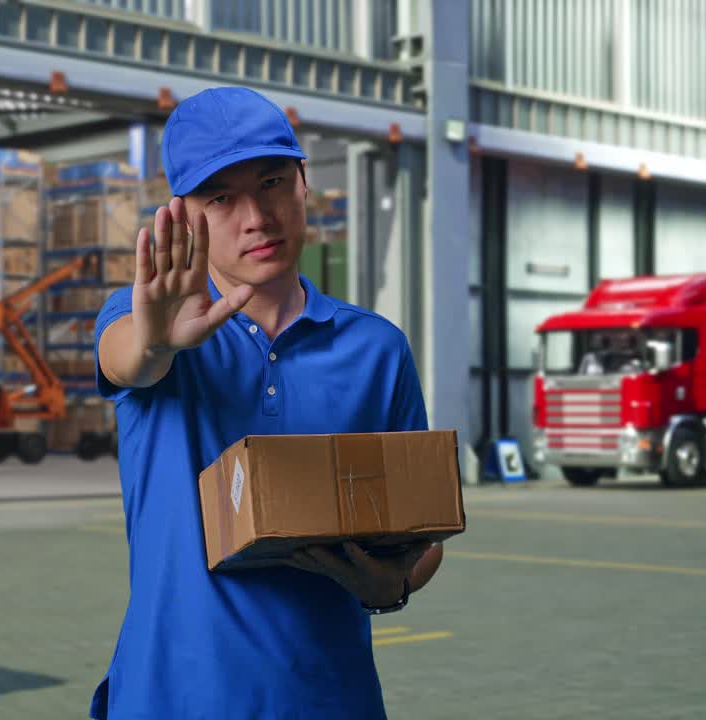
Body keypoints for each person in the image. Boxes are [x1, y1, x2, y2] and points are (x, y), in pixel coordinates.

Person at [90, 86, 446, 719]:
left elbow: (421, 528)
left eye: (273, 182)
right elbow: (129, 359)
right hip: (171, 699)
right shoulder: (148, 321)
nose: (256, 216)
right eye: (220, 198)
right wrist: (156, 339)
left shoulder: (376, 349)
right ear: (184, 215)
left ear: (304, 183)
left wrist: (390, 584)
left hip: (329, 698)